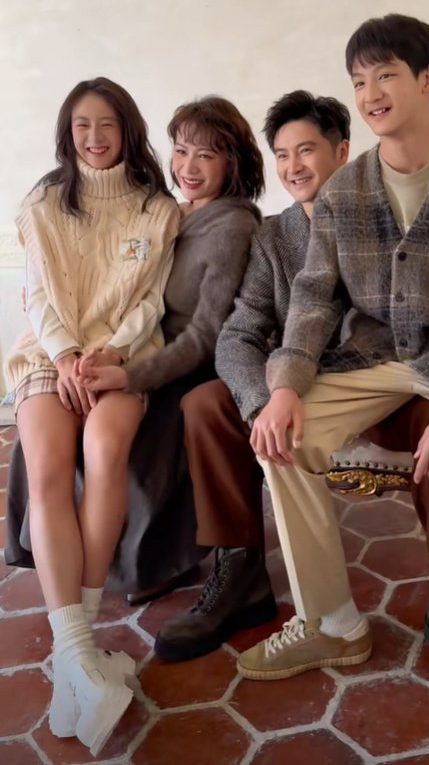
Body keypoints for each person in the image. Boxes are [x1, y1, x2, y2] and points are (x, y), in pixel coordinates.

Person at [154, 89, 429, 692]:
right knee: (206, 404)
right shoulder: (271, 240)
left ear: (342, 152)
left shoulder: (387, 208)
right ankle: (241, 571)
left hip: (400, 377)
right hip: (314, 381)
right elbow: (239, 334)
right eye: (282, 154)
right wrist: (266, 400)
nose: (293, 167)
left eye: (306, 150)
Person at [239, 17, 429, 714]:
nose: (371, 93)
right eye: (359, 81)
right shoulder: (343, 193)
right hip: (372, 357)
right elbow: (314, 301)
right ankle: (331, 622)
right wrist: (284, 386)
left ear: (427, 79)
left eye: (386, 75)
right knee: (279, 436)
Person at [3, 77, 180, 754]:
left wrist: (110, 353)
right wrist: (68, 356)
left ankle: (71, 664)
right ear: (67, 132)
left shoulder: (158, 209)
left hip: (120, 358)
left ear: (127, 129)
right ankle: (80, 653)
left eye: (107, 124)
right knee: (48, 468)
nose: (95, 137)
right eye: (82, 125)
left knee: (105, 453)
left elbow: (151, 302)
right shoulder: (43, 204)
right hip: (51, 354)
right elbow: (39, 297)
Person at [73, 96, 264, 604]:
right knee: (61, 407)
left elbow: (205, 337)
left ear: (233, 162)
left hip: (191, 366)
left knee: (140, 433)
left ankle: (155, 562)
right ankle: (74, 550)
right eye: (181, 151)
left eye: (206, 155)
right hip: (139, 347)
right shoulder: (171, 212)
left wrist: (130, 376)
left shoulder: (232, 227)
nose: (188, 167)